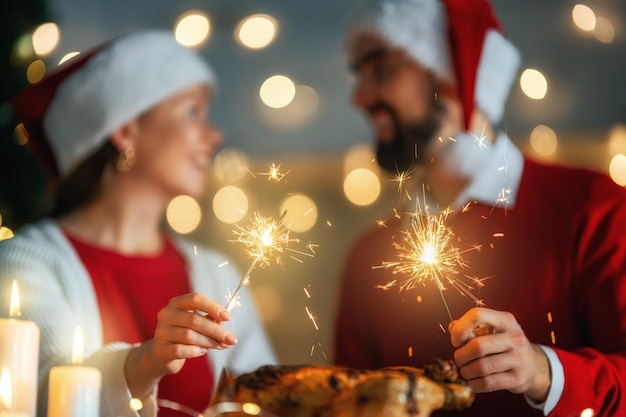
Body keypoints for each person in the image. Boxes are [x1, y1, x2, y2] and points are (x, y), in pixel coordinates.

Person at [333, 0, 626, 416]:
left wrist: (542, 372)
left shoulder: (595, 208)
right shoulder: (368, 259)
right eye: (359, 74)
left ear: (452, 73)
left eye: (380, 69)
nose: (359, 97)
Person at [0, 29, 276, 417]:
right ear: (125, 129)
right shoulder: (25, 264)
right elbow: (42, 394)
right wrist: (146, 362)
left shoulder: (218, 274)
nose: (214, 135)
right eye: (192, 111)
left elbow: (266, 398)